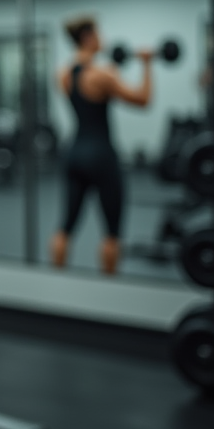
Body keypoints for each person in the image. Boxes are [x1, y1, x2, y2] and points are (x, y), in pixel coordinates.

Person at [51, 16, 152, 275]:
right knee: (112, 231)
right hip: (101, 154)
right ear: (88, 37)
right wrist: (147, 65)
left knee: (66, 226)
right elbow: (143, 100)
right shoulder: (103, 73)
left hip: (73, 152)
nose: (102, 38)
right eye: (99, 33)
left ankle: (55, 279)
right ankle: (110, 286)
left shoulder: (63, 73)